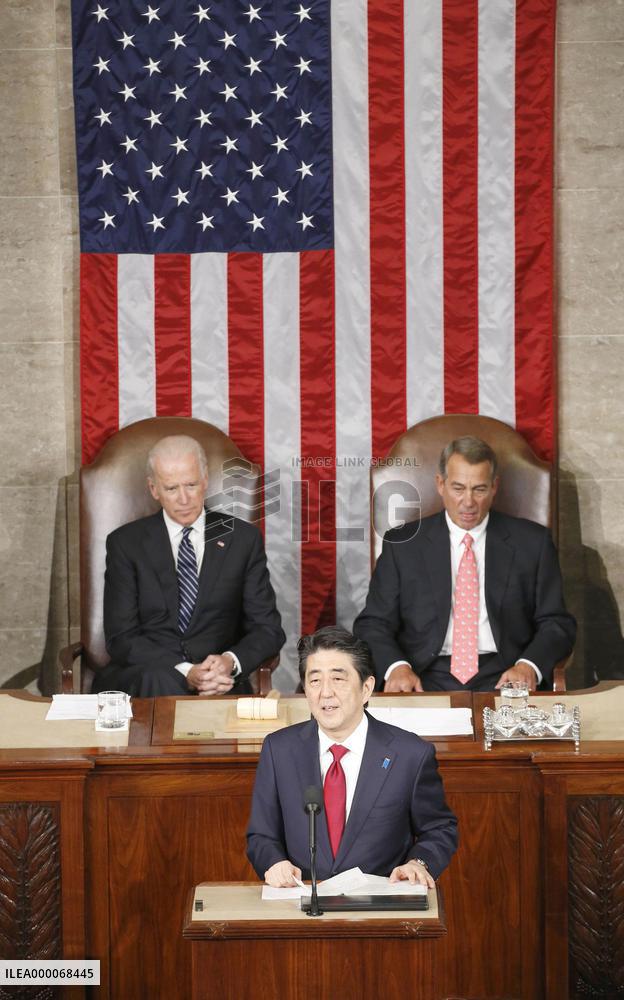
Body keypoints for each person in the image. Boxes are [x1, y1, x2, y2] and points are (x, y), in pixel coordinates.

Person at [354, 436, 576, 693]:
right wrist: (397, 667)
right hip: (423, 676)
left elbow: (557, 623)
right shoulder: (403, 545)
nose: (468, 502)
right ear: (440, 484)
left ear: (494, 487)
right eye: (458, 488)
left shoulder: (533, 543)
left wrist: (528, 666)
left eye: (479, 489)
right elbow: (373, 624)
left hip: (506, 674)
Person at [246, 626, 457, 887]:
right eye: (314, 681)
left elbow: (439, 829)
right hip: (301, 906)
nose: (325, 692)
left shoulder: (410, 754)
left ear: (366, 688)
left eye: (338, 679)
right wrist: (273, 862)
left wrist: (419, 863)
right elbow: (261, 836)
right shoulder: (279, 750)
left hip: (380, 909)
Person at [94, 434, 285, 697]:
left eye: (191, 485)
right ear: (154, 489)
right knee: (159, 680)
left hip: (220, 682)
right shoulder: (125, 544)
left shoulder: (242, 539)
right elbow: (121, 638)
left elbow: (267, 629)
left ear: (205, 481)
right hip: (146, 679)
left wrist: (229, 662)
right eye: (172, 488)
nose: (184, 499)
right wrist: (186, 672)